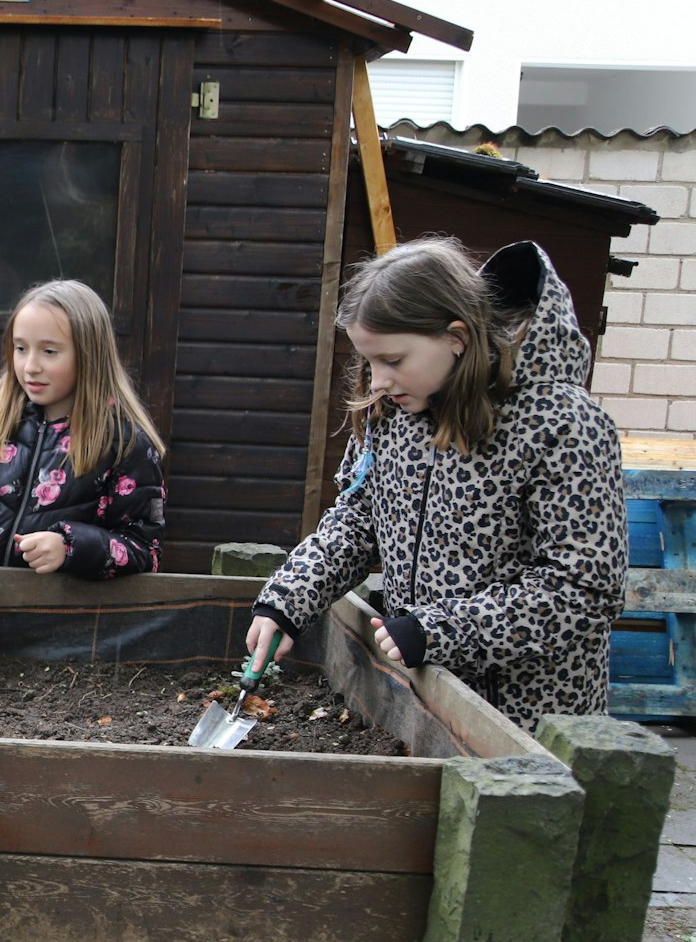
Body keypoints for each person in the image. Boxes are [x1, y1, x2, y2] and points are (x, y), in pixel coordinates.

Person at [245, 239, 623, 729]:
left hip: (529, 723)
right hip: (424, 701)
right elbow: (359, 520)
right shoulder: (392, 411)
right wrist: (288, 600)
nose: (377, 380)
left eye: (394, 360)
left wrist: (438, 630)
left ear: (456, 338)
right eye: (369, 361)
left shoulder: (564, 425)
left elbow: (583, 591)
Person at [0, 279, 166, 618]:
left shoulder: (124, 442)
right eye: (20, 348)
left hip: (66, 630)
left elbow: (143, 548)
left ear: (89, 355)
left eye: (49, 351)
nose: (30, 366)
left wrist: (70, 546)